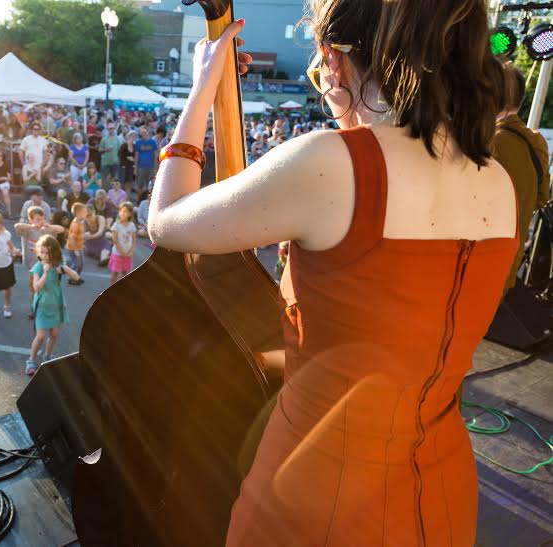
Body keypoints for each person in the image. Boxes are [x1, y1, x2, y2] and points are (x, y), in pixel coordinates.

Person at [148, 7, 517, 546]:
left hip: (315, 503)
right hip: (443, 493)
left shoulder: (330, 164)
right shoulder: (499, 181)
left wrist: (204, 84)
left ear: (335, 59)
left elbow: (165, 220)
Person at [494, 64, 550, 293]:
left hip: (478, 271)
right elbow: (541, 197)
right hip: (507, 269)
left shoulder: (490, 142)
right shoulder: (536, 142)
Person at [25, 234, 80, 375]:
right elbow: (36, 287)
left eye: (47, 253)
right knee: (41, 335)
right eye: (42, 252)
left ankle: (47, 356)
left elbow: (76, 277)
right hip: (42, 306)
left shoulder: (58, 263)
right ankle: (31, 360)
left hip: (56, 304)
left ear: (54, 252)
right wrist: (45, 272)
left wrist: (65, 269)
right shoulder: (38, 267)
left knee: (54, 333)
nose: (44, 255)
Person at [15, 206, 64, 319]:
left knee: (49, 288)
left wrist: (49, 225)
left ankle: (49, 308)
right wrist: (32, 226)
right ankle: (34, 308)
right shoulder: (27, 230)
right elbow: (16, 226)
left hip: (47, 265)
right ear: (30, 219)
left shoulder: (47, 229)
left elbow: (61, 229)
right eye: (37, 219)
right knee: (34, 288)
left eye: (41, 219)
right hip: (33, 265)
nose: (40, 221)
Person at [109, 201, 136, 284]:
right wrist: (122, 252)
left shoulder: (132, 225)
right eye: (122, 211)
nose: (123, 213)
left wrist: (130, 251)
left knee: (125, 273)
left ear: (130, 214)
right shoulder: (116, 225)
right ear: (119, 212)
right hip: (118, 254)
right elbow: (115, 241)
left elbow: (134, 240)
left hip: (128, 254)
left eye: (126, 211)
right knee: (115, 273)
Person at [65, 202, 87, 285]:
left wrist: (82, 244)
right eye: (84, 212)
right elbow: (72, 238)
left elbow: (79, 236)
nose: (86, 214)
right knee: (77, 264)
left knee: (80, 263)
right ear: (78, 214)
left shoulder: (80, 222)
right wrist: (75, 249)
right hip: (74, 248)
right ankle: (73, 278)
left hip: (79, 246)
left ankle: (75, 276)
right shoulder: (75, 224)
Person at [133, 126, 158, 197]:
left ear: (148, 132)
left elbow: (155, 155)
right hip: (141, 166)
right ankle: (139, 199)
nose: (143, 134)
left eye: (145, 132)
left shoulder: (153, 142)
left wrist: (155, 167)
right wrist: (135, 168)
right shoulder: (138, 142)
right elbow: (136, 155)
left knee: (150, 185)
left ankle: (149, 200)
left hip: (150, 166)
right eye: (142, 132)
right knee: (139, 185)